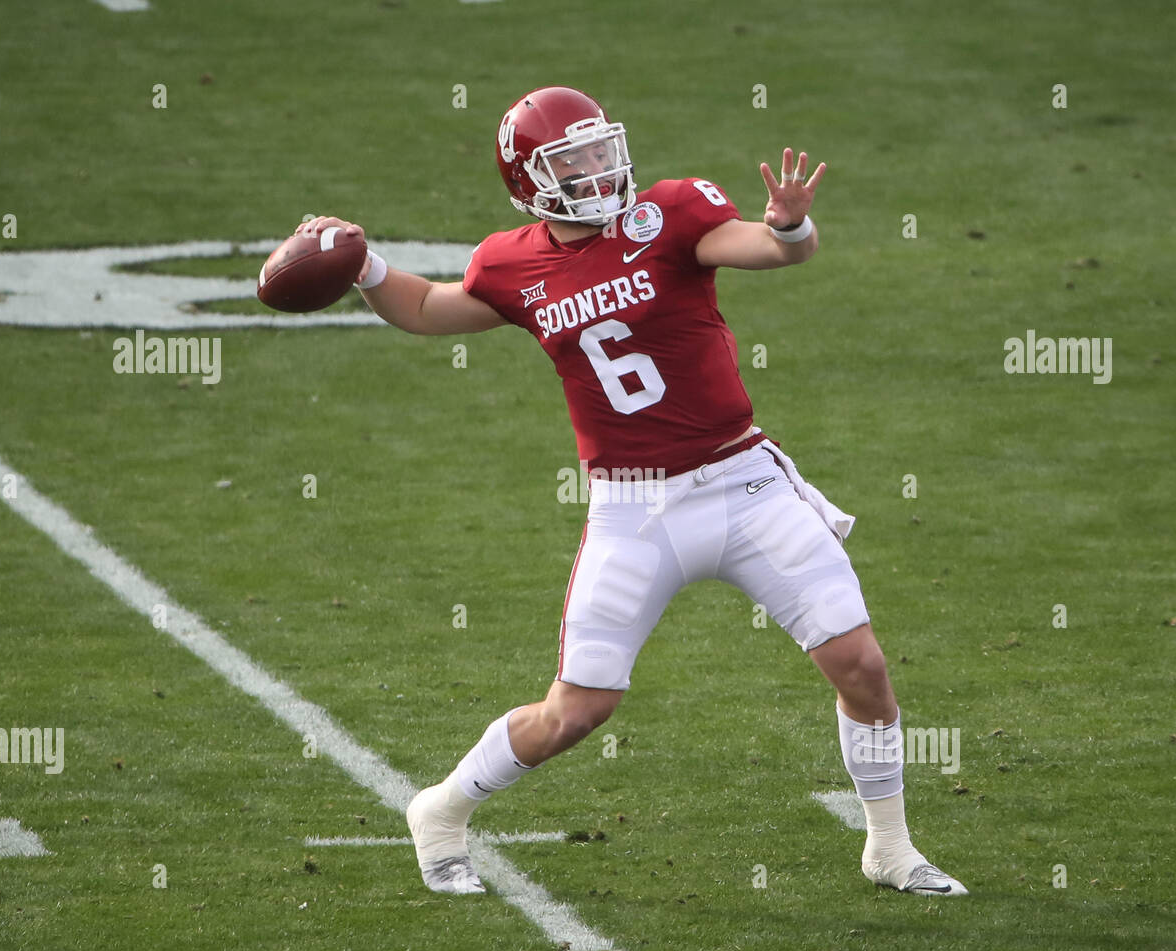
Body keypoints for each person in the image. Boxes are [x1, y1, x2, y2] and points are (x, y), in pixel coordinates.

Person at [299, 86, 967, 898]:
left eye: (597, 148)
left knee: (860, 664)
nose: (594, 167)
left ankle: (889, 847)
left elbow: (769, 249)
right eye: (570, 158)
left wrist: (791, 224)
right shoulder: (512, 263)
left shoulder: (671, 215)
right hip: (634, 508)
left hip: (745, 481)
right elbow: (433, 309)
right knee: (575, 713)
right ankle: (440, 809)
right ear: (528, 179)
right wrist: (363, 266)